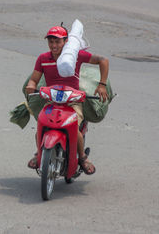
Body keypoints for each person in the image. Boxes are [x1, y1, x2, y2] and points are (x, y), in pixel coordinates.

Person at [25, 24, 109, 175]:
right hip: (52, 101)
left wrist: (102, 84)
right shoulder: (43, 58)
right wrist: (31, 86)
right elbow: (34, 79)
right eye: (51, 41)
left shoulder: (75, 55)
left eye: (57, 41)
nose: (54, 45)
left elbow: (103, 60)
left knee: (74, 128)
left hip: (73, 102)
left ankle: (82, 157)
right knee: (40, 128)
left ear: (66, 42)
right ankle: (39, 153)